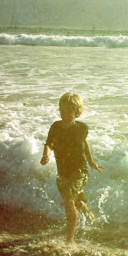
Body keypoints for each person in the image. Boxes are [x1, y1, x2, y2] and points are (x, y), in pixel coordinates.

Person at [40, 92, 103, 244]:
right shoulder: (56, 126)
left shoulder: (82, 128)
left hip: (79, 171)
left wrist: (91, 162)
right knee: (72, 201)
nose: (65, 114)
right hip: (63, 172)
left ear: (77, 111)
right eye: (62, 110)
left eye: (69, 111)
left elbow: (84, 144)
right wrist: (46, 155)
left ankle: (70, 240)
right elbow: (49, 143)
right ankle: (83, 207)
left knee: (68, 201)